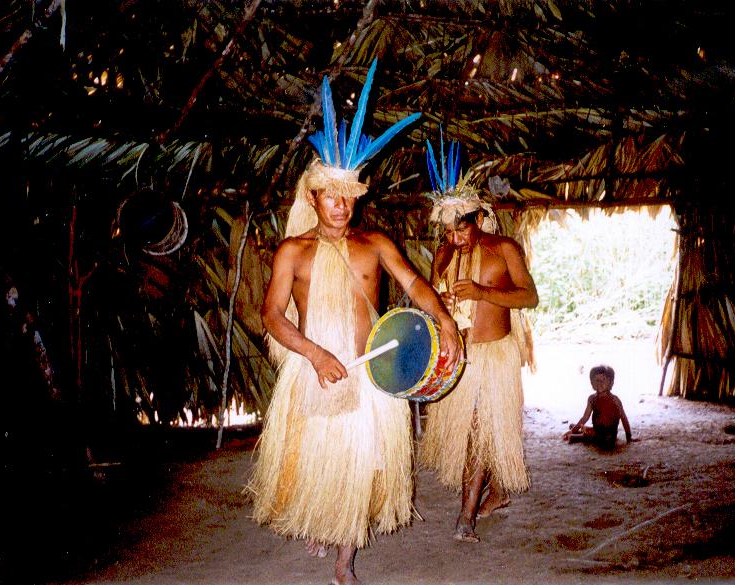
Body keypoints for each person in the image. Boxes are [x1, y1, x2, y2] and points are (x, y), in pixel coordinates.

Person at [246, 60, 461, 585]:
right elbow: (271, 314)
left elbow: (414, 285)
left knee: (362, 465)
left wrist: (447, 323)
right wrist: (316, 354)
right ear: (313, 197)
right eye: (330, 196)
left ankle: (345, 563)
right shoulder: (293, 252)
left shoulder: (376, 244)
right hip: (314, 371)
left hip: (371, 374)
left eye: (348, 196)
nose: (340, 206)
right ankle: (323, 519)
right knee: (319, 461)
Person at [418, 134, 539, 543]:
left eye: (462, 228)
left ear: (479, 218)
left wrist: (483, 293)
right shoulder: (443, 254)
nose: (457, 237)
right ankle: (498, 491)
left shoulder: (504, 248)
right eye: (450, 230)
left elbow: (530, 296)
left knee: (480, 432)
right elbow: (437, 304)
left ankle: (465, 516)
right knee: (471, 432)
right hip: (461, 355)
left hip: (494, 355)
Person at [563, 364, 634, 450]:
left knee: (594, 437)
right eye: (596, 380)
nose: (599, 383)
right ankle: (579, 430)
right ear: (591, 383)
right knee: (590, 431)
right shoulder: (592, 399)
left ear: (611, 382)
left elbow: (624, 418)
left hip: (609, 435)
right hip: (597, 430)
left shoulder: (615, 400)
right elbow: (585, 417)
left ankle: (576, 436)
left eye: (603, 380)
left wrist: (629, 437)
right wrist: (573, 430)